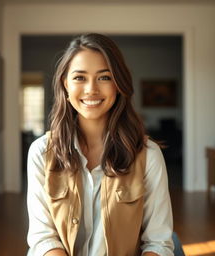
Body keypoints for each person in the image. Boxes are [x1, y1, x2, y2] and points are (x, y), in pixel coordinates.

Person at [27, 33, 174, 256]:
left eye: (104, 77)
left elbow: (158, 243)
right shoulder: (41, 152)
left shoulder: (148, 154)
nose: (91, 89)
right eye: (79, 78)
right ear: (65, 85)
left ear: (118, 85)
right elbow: (43, 238)